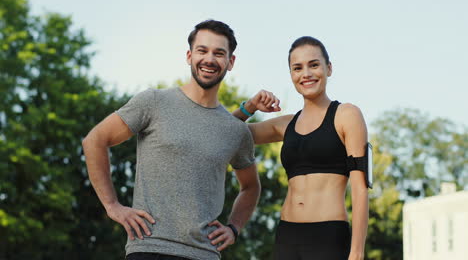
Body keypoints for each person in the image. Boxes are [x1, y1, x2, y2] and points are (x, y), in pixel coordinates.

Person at [82, 20, 274, 260]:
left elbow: (251, 187)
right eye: (202, 51)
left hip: (204, 254)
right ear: (189, 55)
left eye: (219, 53)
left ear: (230, 62)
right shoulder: (153, 102)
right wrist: (113, 206)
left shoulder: (236, 130)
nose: (209, 59)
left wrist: (234, 227)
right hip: (149, 249)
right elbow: (95, 140)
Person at [233, 36, 369, 260]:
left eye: (314, 65)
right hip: (287, 236)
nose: (306, 74)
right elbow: (225, 133)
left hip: (328, 238)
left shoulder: (347, 115)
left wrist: (356, 253)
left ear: (329, 69)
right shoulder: (285, 125)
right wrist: (248, 107)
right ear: (291, 75)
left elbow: (360, 188)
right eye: (297, 68)